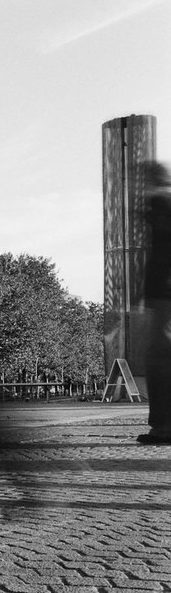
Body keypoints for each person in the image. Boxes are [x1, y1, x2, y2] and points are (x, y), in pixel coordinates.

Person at [139, 160, 171, 444]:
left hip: (164, 293)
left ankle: (163, 425)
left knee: (159, 357)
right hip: (161, 292)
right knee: (159, 356)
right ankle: (162, 424)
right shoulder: (160, 203)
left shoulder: (163, 202)